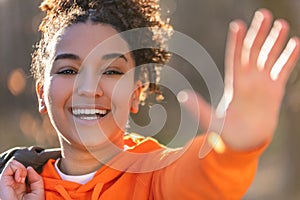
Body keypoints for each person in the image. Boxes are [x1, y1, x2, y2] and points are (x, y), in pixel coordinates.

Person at [0, 0, 299, 199]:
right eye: (68, 69)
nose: (89, 88)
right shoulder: (13, 183)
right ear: (43, 95)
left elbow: (202, 178)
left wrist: (233, 150)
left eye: (112, 71)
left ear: (136, 95)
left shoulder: (155, 176)